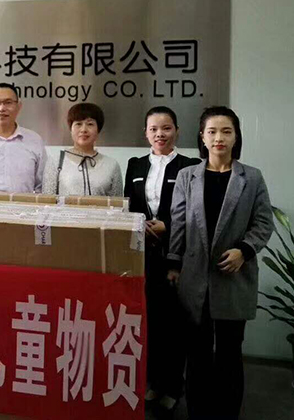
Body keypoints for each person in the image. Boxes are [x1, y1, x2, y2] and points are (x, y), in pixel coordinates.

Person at [168, 106, 274, 420]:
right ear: (202, 137)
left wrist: (245, 250)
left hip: (233, 276)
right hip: (195, 277)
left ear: (236, 137)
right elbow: (178, 222)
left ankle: (227, 413)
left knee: (229, 353)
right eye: (212, 132)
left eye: (226, 131)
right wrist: (173, 263)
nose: (219, 138)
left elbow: (263, 222)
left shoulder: (251, 177)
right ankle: (198, 412)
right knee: (197, 353)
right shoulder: (187, 176)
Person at [124, 106, 197, 417]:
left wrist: (167, 225)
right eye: (153, 129)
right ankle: (153, 382)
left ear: (177, 131)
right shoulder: (136, 164)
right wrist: (140, 224)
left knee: (174, 323)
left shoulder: (190, 166)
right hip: (143, 255)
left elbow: (193, 210)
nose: (160, 134)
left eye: (166, 128)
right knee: (149, 320)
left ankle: (173, 386)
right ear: (145, 133)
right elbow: (128, 205)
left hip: (175, 255)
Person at [43, 103, 123, 197]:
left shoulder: (111, 165)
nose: (83, 129)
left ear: (98, 129)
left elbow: (118, 203)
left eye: (90, 124)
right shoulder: (55, 162)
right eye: (78, 124)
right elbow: (47, 200)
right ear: (71, 129)